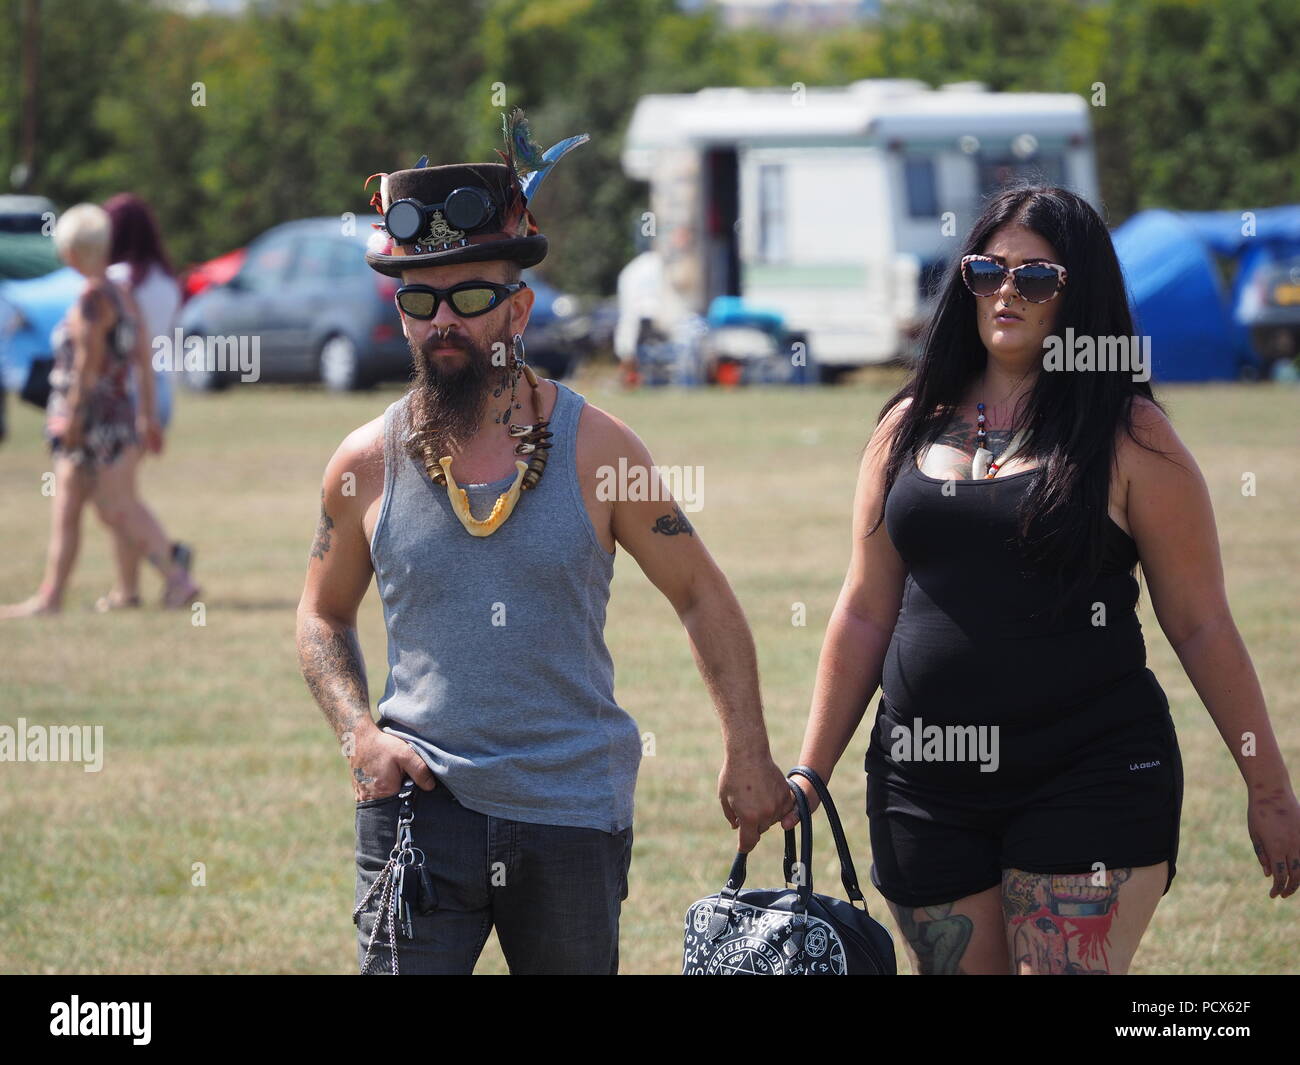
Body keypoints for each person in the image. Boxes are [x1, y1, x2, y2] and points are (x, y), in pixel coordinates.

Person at [295, 111, 792, 975]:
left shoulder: (599, 449)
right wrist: (357, 737)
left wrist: (748, 749)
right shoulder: (364, 463)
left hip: (570, 810)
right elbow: (320, 614)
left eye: (472, 295)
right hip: (418, 806)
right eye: (421, 299)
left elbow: (700, 592)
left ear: (518, 306)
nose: (444, 318)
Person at [785, 184, 1300, 975]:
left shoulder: (1131, 436)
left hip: (1089, 772)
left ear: (1080, 292)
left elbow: (1200, 623)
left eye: (1036, 278)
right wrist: (809, 774)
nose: (1005, 292)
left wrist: (1268, 788)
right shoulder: (905, 424)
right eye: (988, 270)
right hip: (925, 782)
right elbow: (863, 609)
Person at [0, 203, 200, 619]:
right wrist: (145, 416)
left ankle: (169, 580)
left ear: (72, 250)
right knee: (100, 505)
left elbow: (84, 369)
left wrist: (70, 420)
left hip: (90, 421)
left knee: (95, 509)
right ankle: (62, 594)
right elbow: (144, 359)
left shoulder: (91, 298)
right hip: (118, 416)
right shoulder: (122, 293)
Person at [97, 192, 195, 611]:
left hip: (129, 392)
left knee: (115, 500)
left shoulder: (118, 279)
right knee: (121, 496)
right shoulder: (165, 279)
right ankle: (127, 589)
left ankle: (174, 570)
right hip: (161, 390)